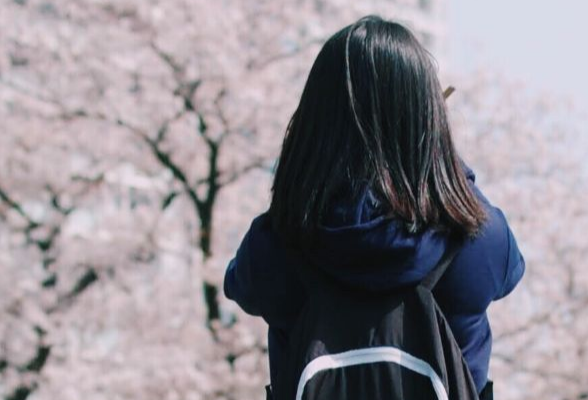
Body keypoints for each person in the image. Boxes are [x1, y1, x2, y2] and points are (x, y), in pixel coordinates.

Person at [223, 15, 526, 398]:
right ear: (430, 121)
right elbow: (511, 269)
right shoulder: (476, 239)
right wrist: (444, 164)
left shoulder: (278, 242)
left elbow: (239, 284)